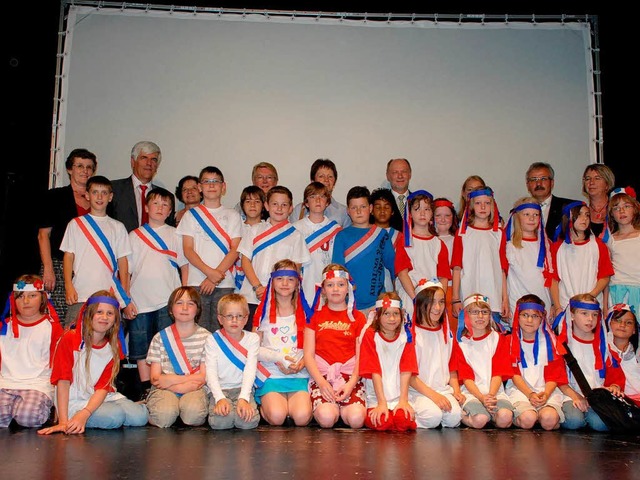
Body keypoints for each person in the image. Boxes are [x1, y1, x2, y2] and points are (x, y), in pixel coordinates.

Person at [38, 291, 148, 434]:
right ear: (89, 314)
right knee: (114, 417)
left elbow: (103, 387)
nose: (104, 317)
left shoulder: (113, 347)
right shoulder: (69, 339)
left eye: (110, 313)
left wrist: (86, 413)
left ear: (115, 319)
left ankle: (135, 407)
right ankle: (75, 417)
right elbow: (62, 381)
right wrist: (63, 421)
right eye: (99, 312)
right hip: (74, 401)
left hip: (100, 397)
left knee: (140, 417)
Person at [124, 187, 188, 399]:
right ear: (146, 206)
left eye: (165, 205)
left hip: (167, 300)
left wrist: (184, 294)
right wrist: (126, 299)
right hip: (139, 300)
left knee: (165, 345)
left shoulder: (175, 234)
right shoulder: (134, 236)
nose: (160, 208)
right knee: (140, 347)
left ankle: (164, 388)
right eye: (156, 203)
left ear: (171, 210)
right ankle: (146, 390)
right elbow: (126, 270)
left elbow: (184, 265)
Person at [177, 166, 243, 333]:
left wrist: (215, 276)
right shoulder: (191, 215)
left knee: (225, 331)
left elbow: (235, 249)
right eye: (207, 182)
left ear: (224, 187)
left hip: (224, 282)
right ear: (200, 187)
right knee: (198, 331)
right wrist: (209, 273)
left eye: (216, 182)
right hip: (197, 282)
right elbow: (188, 249)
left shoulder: (232, 215)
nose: (211, 185)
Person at [60, 175, 132, 326]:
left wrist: (124, 292)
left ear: (110, 197)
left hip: (109, 294)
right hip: (80, 293)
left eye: (104, 192)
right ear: (87, 195)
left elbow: (123, 262)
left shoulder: (118, 227)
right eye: (95, 192)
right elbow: (68, 256)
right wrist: (68, 285)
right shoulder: (76, 224)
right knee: (73, 336)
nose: (99, 197)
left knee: (106, 341)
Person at [303, 264, 367, 428]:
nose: (335, 289)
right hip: (322, 377)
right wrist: (322, 383)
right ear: (323, 289)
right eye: (330, 285)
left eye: (340, 284)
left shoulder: (359, 318)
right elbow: (308, 355)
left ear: (348, 288)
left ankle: (345, 409)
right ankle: (332, 409)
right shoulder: (313, 317)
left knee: (356, 419)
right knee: (326, 418)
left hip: (350, 378)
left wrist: (351, 383)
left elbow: (362, 356)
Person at [332, 186, 411, 315]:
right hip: (349, 302)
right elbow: (337, 269)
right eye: (354, 208)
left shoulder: (381, 235)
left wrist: (397, 294)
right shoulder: (341, 236)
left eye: (363, 207)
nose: (358, 211)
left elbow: (394, 267)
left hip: (378, 302)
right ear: (348, 211)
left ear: (370, 208)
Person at [37, 148, 96, 318]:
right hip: (59, 265)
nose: (85, 171)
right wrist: (48, 268)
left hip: (89, 267)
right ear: (70, 169)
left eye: (89, 167)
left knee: (86, 318)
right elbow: (43, 235)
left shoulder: (100, 200)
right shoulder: (55, 197)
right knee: (59, 317)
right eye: (79, 166)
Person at [238, 186, 310, 325]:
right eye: (274, 204)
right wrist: (257, 287)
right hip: (251, 296)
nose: (279, 208)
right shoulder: (254, 230)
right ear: (266, 205)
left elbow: (295, 269)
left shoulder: (296, 236)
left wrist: (274, 291)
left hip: (280, 299)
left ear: (290, 208)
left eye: (284, 205)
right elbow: (245, 261)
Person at [253, 261, 312, 426]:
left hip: (299, 373)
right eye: (280, 279)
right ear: (272, 281)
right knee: (277, 416)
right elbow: (253, 347)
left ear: (297, 283)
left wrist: (303, 362)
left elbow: (313, 346)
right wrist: (278, 358)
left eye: (290, 279)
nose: (285, 283)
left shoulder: (306, 311)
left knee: (302, 418)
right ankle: (264, 405)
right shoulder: (262, 311)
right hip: (271, 374)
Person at [0, 275, 63, 428]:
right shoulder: (4, 326)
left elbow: (60, 364)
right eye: (20, 297)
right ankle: (12, 410)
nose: (26, 301)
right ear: (13, 300)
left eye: (32, 296)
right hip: (5, 382)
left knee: (28, 416)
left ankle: (19, 411)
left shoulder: (52, 327)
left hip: (37, 384)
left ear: (42, 299)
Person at [554, 294, 624, 431]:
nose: (590, 319)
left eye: (594, 314)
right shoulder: (562, 343)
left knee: (601, 425)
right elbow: (558, 378)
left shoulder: (603, 344)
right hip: (569, 394)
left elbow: (614, 371)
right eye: (584, 313)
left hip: (596, 396)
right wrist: (577, 396)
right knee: (574, 421)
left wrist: (614, 386)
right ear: (572, 315)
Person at [145, 287, 210, 428]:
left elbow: (203, 377)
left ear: (197, 310)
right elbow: (156, 378)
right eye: (179, 303)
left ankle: (181, 408)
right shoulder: (160, 338)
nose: (185, 308)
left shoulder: (207, 337)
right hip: (165, 388)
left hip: (194, 387)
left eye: (191, 303)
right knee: (163, 418)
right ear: (170, 309)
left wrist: (173, 381)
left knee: (193, 416)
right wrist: (179, 384)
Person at [451, 186, 509, 331]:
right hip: (469, 296)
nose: (483, 207)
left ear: (492, 205)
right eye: (478, 203)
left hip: (493, 298)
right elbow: (457, 267)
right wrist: (455, 298)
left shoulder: (499, 233)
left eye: (487, 203)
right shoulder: (463, 233)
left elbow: (502, 269)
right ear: (471, 206)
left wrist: (505, 299)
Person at [506, 295, 567, 430]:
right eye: (525, 315)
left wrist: (545, 394)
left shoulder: (551, 342)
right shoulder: (509, 342)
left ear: (542, 319)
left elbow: (554, 375)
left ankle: (541, 416)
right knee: (528, 419)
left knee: (549, 419)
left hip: (546, 391)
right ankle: (527, 417)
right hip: (520, 391)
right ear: (518, 316)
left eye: (535, 316)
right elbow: (513, 373)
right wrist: (530, 394)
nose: (529, 320)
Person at [454, 293, 514, 429]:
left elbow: (497, 372)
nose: (480, 316)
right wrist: (481, 398)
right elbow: (466, 377)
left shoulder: (498, 338)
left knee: (505, 418)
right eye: (475, 312)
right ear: (466, 315)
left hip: (495, 392)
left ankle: (491, 414)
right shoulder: (461, 343)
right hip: (472, 393)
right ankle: (461, 415)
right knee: (480, 420)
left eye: (484, 312)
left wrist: (491, 396)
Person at [359, 292, 418, 431]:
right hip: (376, 396)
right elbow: (374, 370)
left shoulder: (406, 335)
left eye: (396, 314)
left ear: (401, 314)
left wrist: (403, 401)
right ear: (378, 315)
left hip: (399, 395)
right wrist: (381, 403)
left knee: (403, 422)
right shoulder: (370, 335)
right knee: (382, 422)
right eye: (386, 314)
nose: (392, 318)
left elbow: (406, 369)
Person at [410, 280, 464, 429]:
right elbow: (410, 377)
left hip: (442, 390)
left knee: (454, 417)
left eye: (441, 302)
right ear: (420, 304)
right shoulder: (411, 335)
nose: (438, 307)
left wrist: (456, 391)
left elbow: (452, 368)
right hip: (418, 392)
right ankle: (409, 416)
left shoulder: (447, 333)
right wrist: (434, 396)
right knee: (432, 417)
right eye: (432, 302)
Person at [204, 294, 262, 430]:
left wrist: (244, 398)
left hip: (242, 389)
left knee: (248, 422)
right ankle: (226, 408)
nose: (234, 320)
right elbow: (210, 372)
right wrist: (219, 398)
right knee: (221, 423)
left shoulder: (252, 339)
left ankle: (238, 408)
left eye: (239, 316)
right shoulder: (212, 340)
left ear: (246, 318)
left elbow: (250, 370)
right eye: (229, 316)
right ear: (220, 319)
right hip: (220, 389)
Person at [550, 201, 614, 317]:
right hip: (566, 306)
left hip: (591, 305)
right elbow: (553, 280)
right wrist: (558, 306)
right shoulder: (557, 247)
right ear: (568, 218)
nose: (584, 218)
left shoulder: (598, 245)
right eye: (579, 215)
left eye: (587, 215)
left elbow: (604, 276)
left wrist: (590, 296)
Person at [399, 190, 451, 318]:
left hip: (433, 303)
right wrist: (416, 299)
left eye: (427, 209)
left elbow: (443, 277)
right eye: (417, 209)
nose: (422, 213)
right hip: (411, 299)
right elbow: (402, 273)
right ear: (410, 213)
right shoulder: (404, 241)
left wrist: (439, 301)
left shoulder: (438, 244)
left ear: (432, 213)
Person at [293, 182, 341, 302]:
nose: (318, 200)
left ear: (327, 202)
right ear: (306, 203)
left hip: (328, 281)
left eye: (322, 196)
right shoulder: (295, 228)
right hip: (304, 281)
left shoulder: (335, 229)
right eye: (313, 197)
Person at [505, 197, 553, 317]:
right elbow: (502, 276)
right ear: (517, 217)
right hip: (518, 305)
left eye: (536, 214)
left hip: (543, 303)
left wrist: (553, 304)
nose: (532, 218)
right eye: (526, 214)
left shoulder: (547, 246)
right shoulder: (510, 246)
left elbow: (553, 278)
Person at [110, 141, 166, 233]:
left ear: (157, 166)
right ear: (133, 162)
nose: (149, 163)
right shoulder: (114, 189)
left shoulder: (166, 197)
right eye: (144, 158)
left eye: (154, 159)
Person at [606, 187, 640, 315]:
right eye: (616, 208)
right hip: (617, 291)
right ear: (611, 214)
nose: (622, 211)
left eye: (626, 206)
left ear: (635, 209)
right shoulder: (610, 240)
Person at [369, 188, 409, 294]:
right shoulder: (366, 235)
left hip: (396, 289)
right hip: (371, 287)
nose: (382, 211)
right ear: (371, 210)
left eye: (387, 207)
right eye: (378, 207)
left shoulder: (400, 236)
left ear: (392, 211)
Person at [525, 162, 576, 241]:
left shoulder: (570, 207)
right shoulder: (518, 212)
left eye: (543, 179)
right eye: (534, 179)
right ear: (528, 185)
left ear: (552, 183)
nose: (538, 183)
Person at [291, 159, 350, 227]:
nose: (326, 180)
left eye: (330, 176)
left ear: (334, 182)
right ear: (313, 181)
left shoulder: (343, 211)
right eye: (321, 176)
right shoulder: (299, 210)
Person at [605, 304, 640, 406]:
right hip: (615, 402)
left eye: (628, 323)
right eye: (618, 320)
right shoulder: (602, 350)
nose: (622, 325)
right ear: (609, 323)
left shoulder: (637, 353)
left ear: (634, 329)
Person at [433, 198, 459, 329]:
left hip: (451, 290)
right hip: (430, 292)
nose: (443, 220)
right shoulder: (428, 240)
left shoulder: (458, 240)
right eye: (438, 215)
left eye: (447, 215)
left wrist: (455, 297)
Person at [582, 163, 615, 238]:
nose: (591, 182)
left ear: (607, 184)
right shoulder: (580, 211)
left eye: (597, 178)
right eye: (587, 179)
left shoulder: (617, 208)